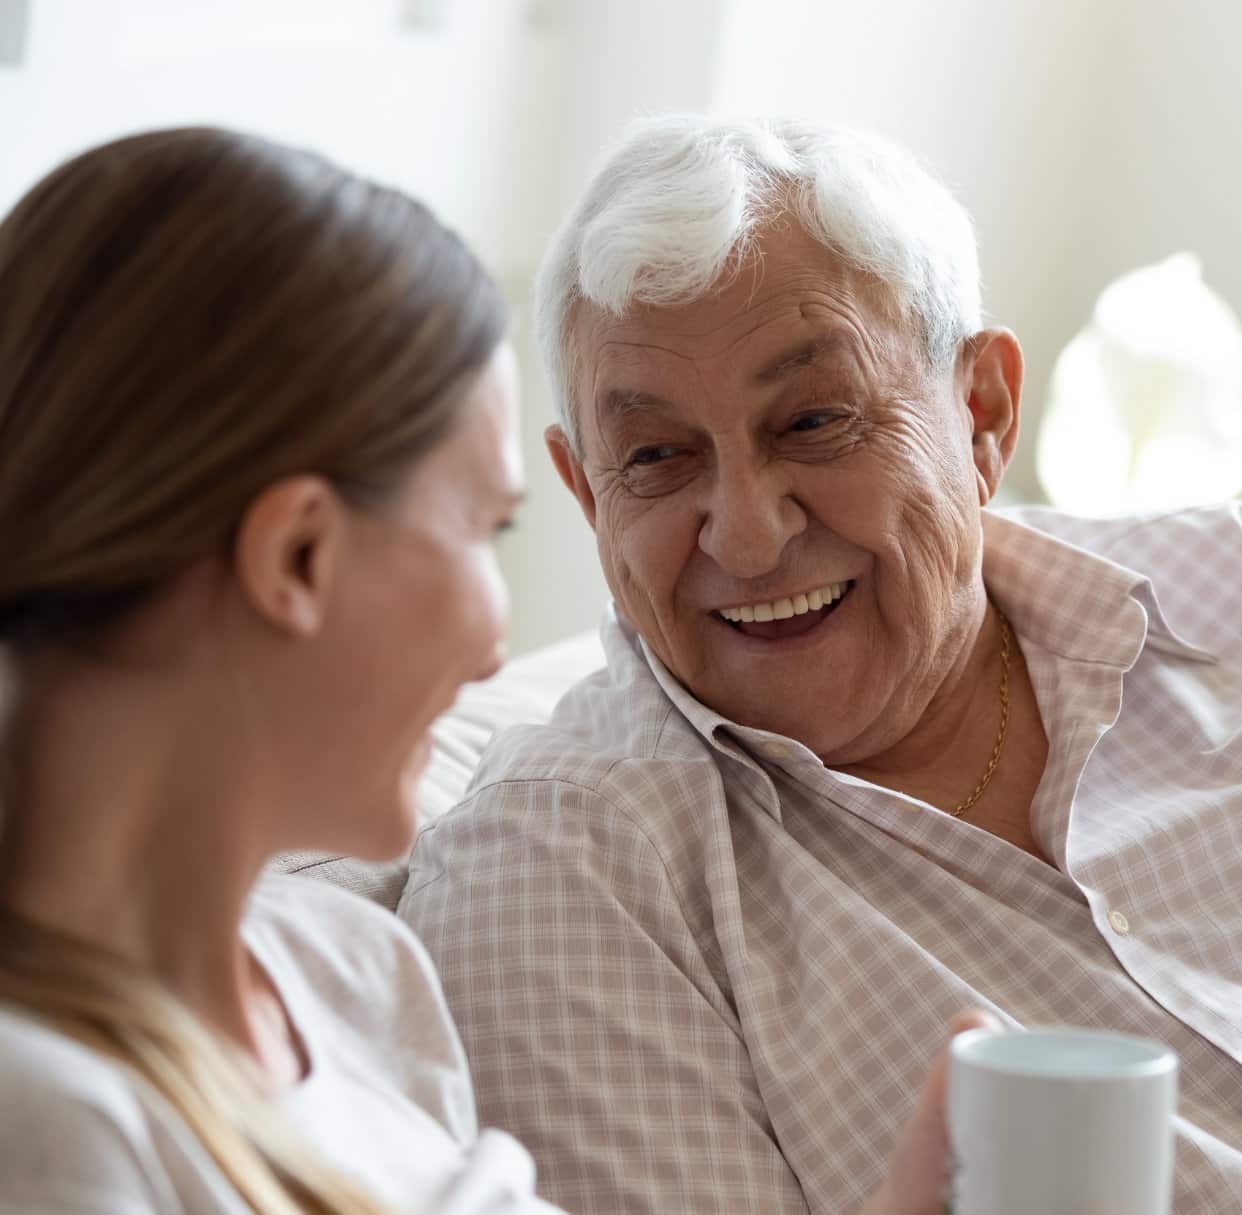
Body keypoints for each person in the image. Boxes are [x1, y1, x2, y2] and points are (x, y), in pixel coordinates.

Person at [0, 127, 973, 1215]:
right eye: (487, 529)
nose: (491, 647)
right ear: (297, 557)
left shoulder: (353, 978)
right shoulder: (48, 1121)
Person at [400, 114, 1242, 1214]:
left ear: (983, 413)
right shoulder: (567, 879)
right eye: (657, 457)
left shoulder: (1212, 598)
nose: (745, 536)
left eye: (815, 421)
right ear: (585, 490)